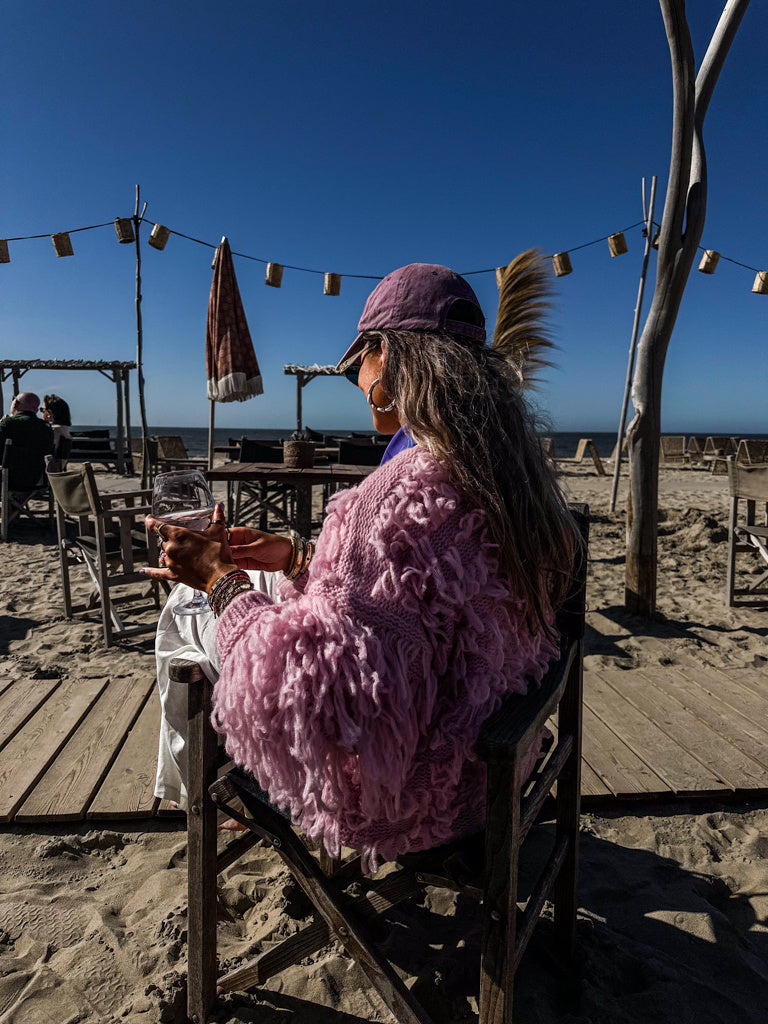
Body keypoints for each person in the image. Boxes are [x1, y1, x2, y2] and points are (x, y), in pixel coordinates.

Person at [144, 263, 577, 871]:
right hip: (497, 768)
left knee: (185, 610)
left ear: (388, 361)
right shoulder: (512, 484)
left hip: (412, 804)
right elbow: (416, 609)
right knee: (254, 586)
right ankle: (185, 785)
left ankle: (189, 795)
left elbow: (314, 698)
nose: (354, 380)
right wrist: (298, 558)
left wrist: (219, 581)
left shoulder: (387, 502)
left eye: (356, 364)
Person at [0, 391, 54, 489]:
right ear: (36, 409)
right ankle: (14, 504)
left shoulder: (8, 424)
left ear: (15, 403)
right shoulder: (46, 427)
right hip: (36, 480)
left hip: (9, 480)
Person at [41, 393, 73, 461]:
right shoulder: (64, 429)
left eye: (42, 410)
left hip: (50, 467)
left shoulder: (54, 430)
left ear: (49, 413)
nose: (41, 413)